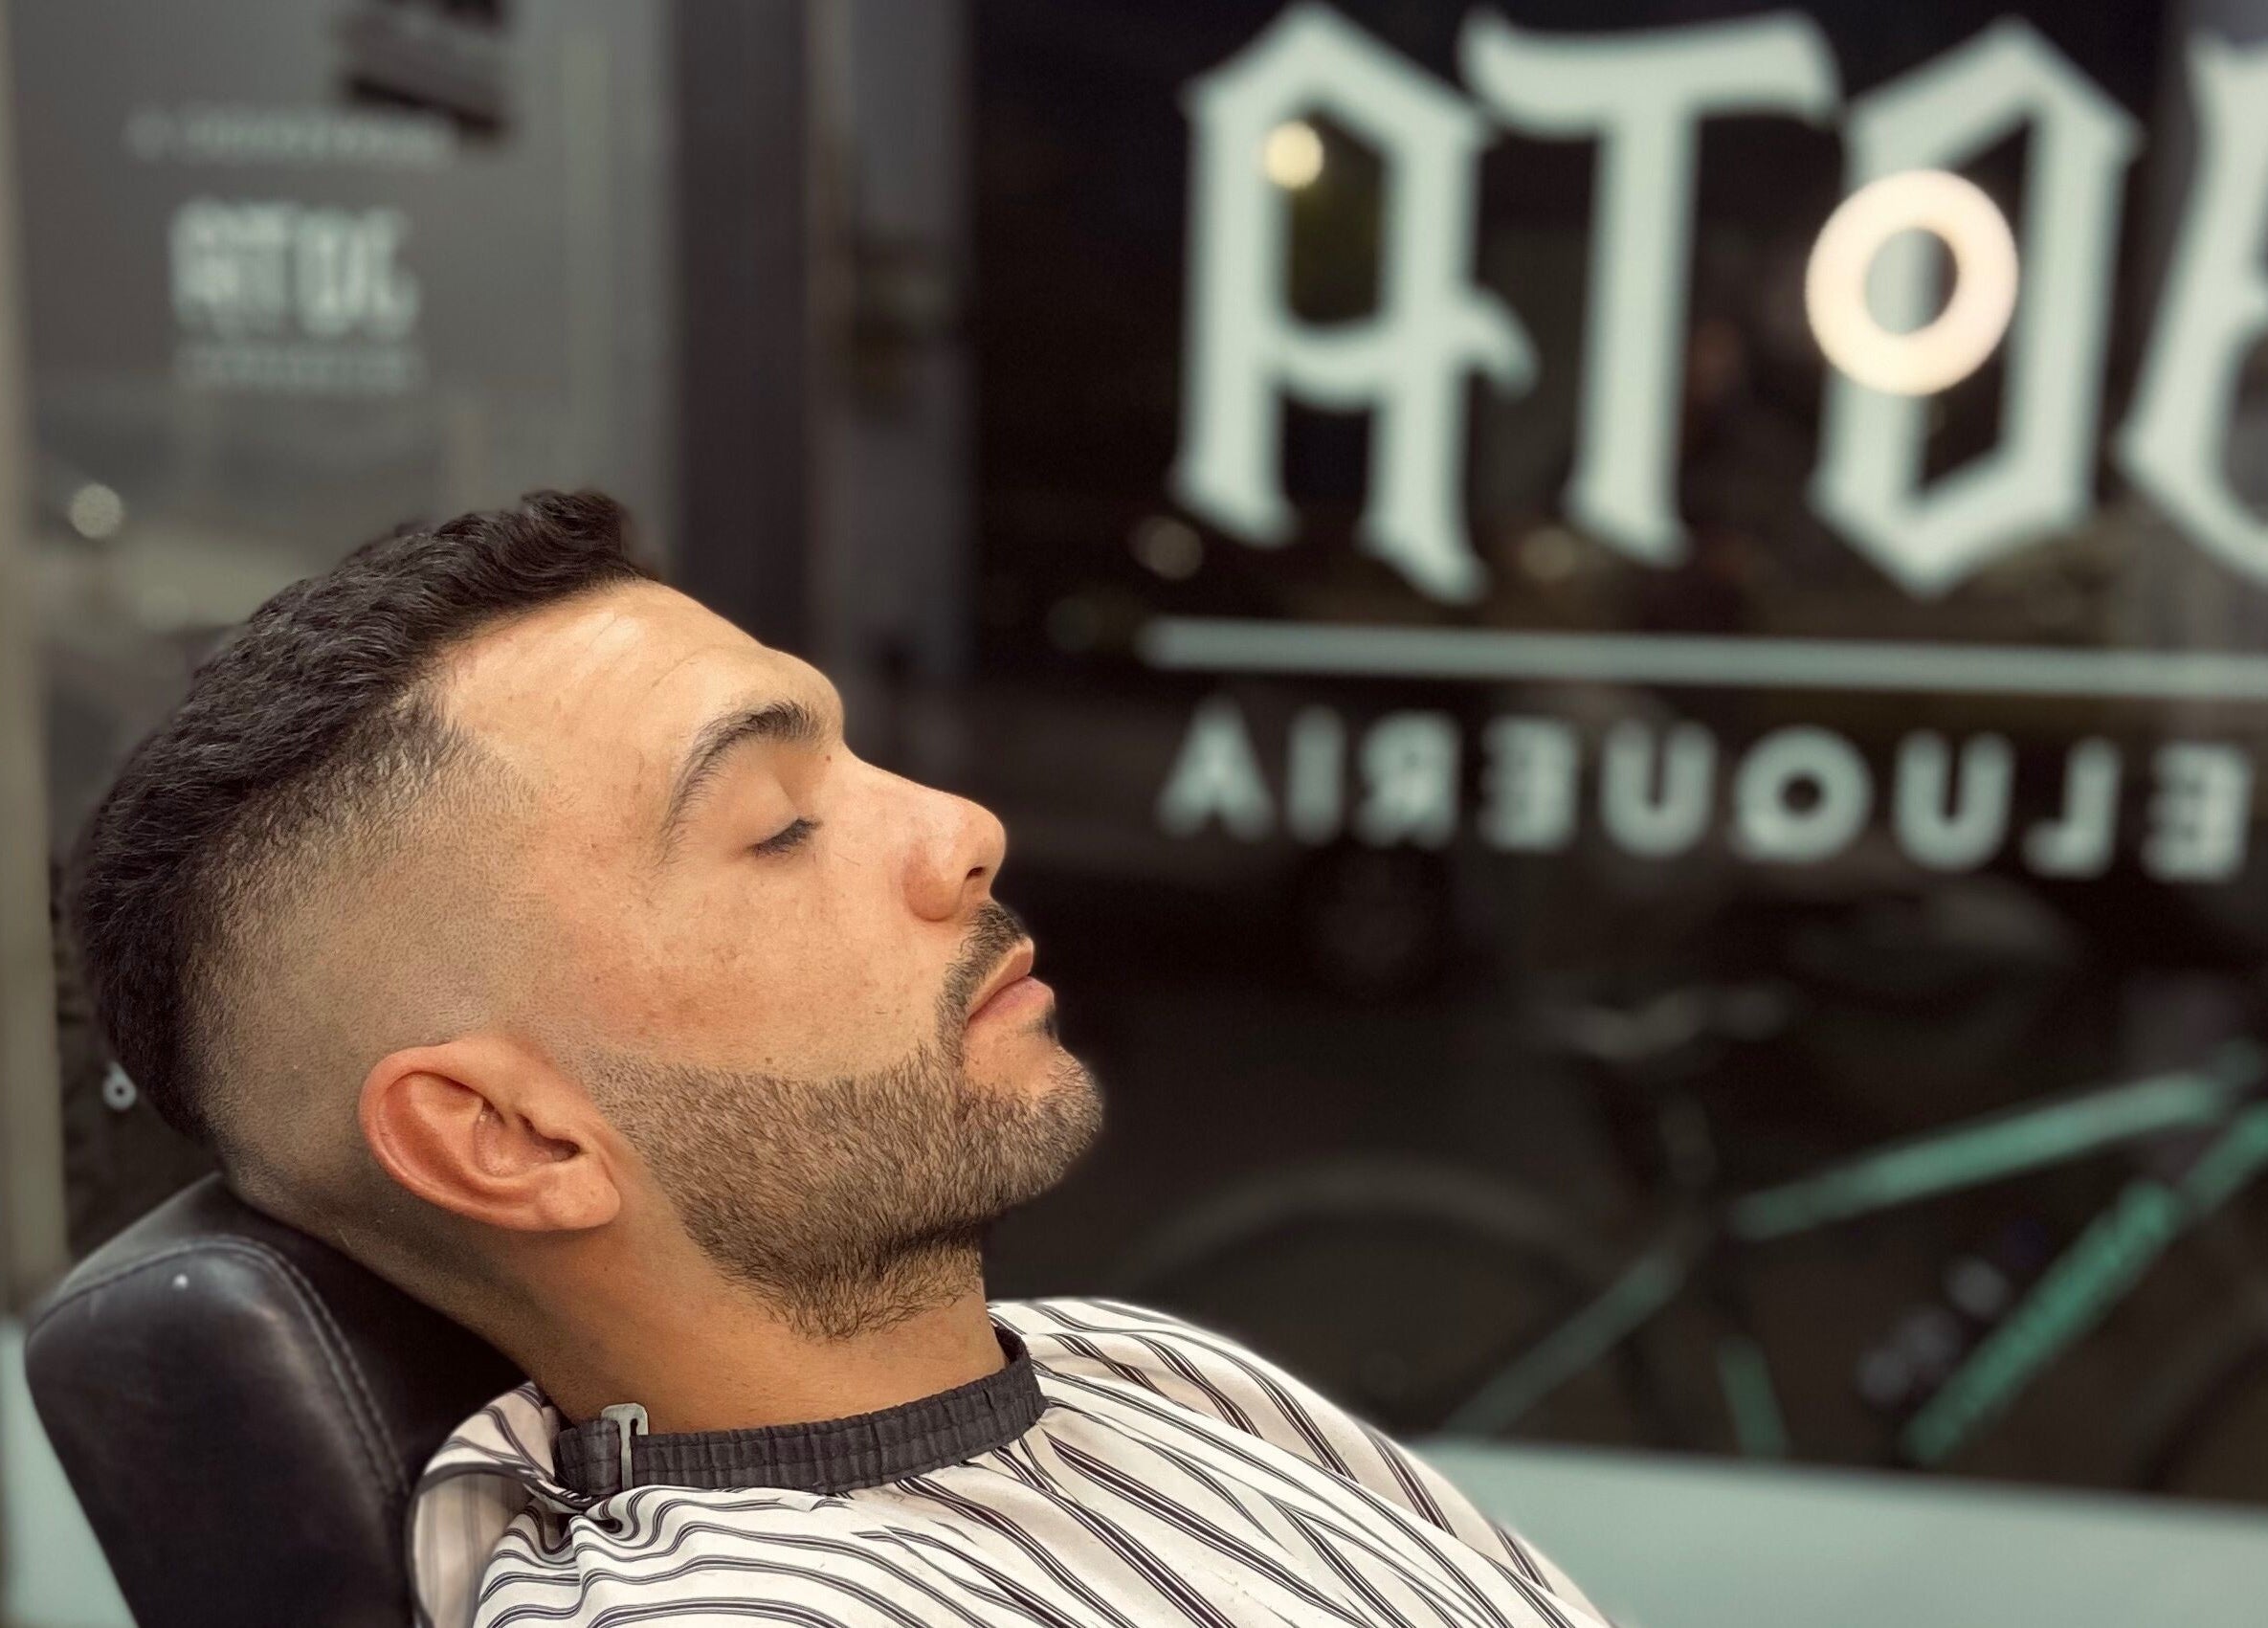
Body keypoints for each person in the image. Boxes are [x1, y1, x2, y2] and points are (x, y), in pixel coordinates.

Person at [65, 492, 1611, 1628]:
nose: (960, 829)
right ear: (509, 1134)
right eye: (777, 824)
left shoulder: (1146, 1369)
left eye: (851, 757)